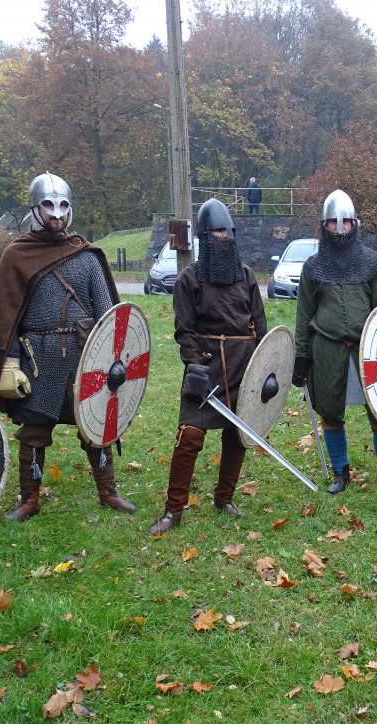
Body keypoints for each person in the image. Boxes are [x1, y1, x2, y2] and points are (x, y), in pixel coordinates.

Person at [0, 172, 135, 521]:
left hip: (85, 354)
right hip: (39, 356)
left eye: (63, 205)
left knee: (95, 427)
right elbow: (7, 317)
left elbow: (110, 315)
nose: (57, 213)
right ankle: (29, 500)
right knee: (33, 430)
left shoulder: (87, 255)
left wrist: (112, 357)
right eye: (48, 205)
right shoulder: (17, 255)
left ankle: (107, 491)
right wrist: (11, 361)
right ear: (35, 209)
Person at [149, 199, 268, 534]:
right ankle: (173, 510)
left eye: (227, 231)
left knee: (236, 435)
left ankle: (224, 497)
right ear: (204, 235)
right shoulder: (190, 278)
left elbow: (259, 324)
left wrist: (263, 368)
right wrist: (193, 364)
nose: (223, 237)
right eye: (217, 231)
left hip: (243, 365)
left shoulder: (245, 276)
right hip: (206, 365)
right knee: (190, 436)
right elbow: (184, 329)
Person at [292, 189, 377, 498]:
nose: (340, 228)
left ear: (355, 224)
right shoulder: (312, 267)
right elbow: (304, 314)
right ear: (325, 226)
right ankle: (340, 474)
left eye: (346, 222)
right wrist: (301, 358)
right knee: (331, 413)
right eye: (334, 223)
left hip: (370, 351)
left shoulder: (372, 263)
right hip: (327, 350)